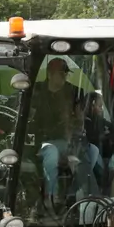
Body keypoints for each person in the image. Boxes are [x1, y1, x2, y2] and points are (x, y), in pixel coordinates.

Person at [31, 57, 99, 207]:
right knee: (52, 154)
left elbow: (79, 120)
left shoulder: (74, 91)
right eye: (61, 73)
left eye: (66, 74)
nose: (64, 77)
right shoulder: (35, 91)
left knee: (92, 152)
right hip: (42, 141)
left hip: (67, 141)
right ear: (50, 74)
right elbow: (29, 118)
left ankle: (82, 196)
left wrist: (72, 144)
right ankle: (52, 197)